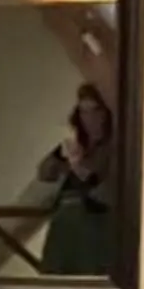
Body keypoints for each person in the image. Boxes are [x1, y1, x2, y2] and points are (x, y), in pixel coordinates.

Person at [38, 81, 116, 276]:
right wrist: (59, 156)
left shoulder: (112, 147)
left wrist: (78, 167)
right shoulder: (77, 143)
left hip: (93, 224)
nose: (90, 118)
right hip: (64, 221)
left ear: (105, 114)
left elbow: (105, 189)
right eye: (83, 112)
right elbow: (44, 173)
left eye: (95, 111)